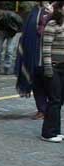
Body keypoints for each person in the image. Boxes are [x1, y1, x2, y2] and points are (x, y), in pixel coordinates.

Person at [15, 1, 55, 120]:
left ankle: (52, 108)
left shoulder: (55, 9)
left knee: (51, 84)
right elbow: (27, 32)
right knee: (36, 82)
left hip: (50, 54)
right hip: (33, 54)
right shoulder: (34, 11)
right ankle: (42, 109)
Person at [41, 1, 64, 143]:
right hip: (54, 68)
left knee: (60, 100)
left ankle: (56, 130)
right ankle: (48, 133)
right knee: (54, 100)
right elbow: (46, 47)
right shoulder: (52, 24)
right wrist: (48, 67)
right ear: (60, 9)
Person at [0, 8, 23, 75]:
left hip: (12, 31)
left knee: (9, 50)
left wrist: (17, 31)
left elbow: (20, 22)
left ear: (1, 16)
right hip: (1, 31)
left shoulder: (11, 15)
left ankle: (7, 67)